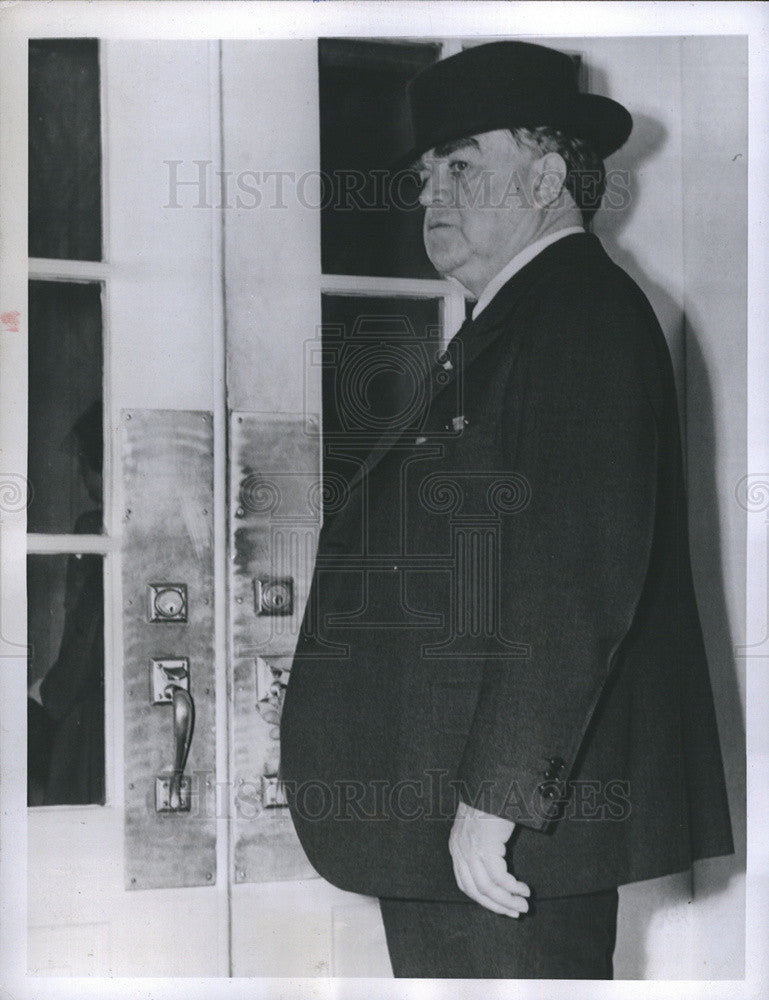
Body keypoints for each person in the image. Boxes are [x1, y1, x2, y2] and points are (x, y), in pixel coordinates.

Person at [280, 41, 734, 979]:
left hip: (498, 839)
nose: (427, 196)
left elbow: (573, 582)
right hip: (467, 830)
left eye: (459, 165)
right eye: (421, 176)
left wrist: (494, 805)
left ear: (544, 178)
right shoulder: (526, 318)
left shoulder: (580, 316)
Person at [28, 399, 105, 806]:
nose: (79, 475)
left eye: (85, 465)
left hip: (88, 713)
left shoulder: (92, 531)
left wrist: (45, 694)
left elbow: (85, 634)